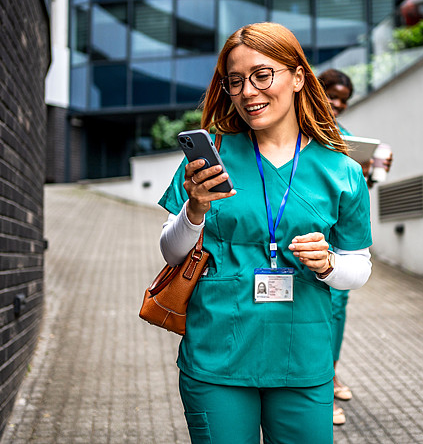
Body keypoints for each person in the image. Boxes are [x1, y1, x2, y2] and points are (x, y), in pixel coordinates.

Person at [158, 23, 373, 444]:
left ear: (297, 78)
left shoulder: (341, 171)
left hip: (303, 357)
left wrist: (329, 265)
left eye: (262, 75)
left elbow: (359, 267)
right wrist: (195, 209)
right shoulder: (212, 155)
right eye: (235, 81)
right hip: (217, 354)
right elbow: (170, 251)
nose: (248, 92)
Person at [317, 68, 392, 426]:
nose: (337, 104)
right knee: (319, 309)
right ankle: (318, 387)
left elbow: (354, 189)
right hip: (312, 234)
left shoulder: (344, 133)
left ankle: (329, 374)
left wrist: (374, 171)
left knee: (337, 307)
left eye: (344, 99)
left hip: (342, 238)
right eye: (332, 94)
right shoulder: (303, 125)